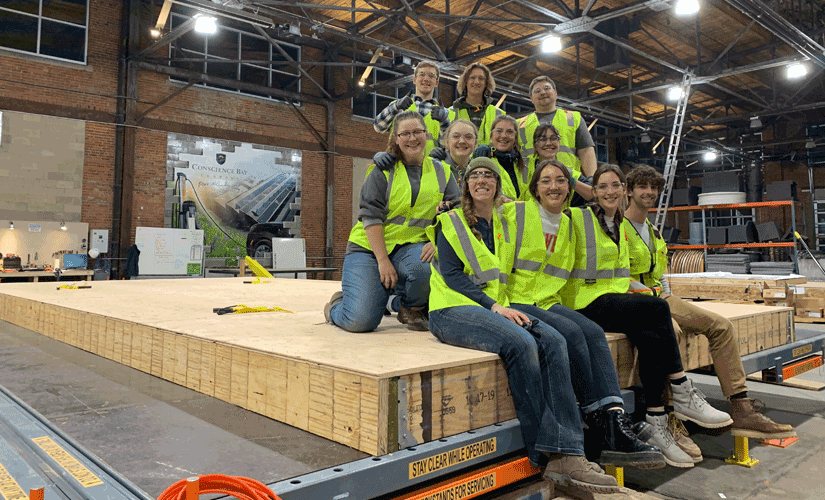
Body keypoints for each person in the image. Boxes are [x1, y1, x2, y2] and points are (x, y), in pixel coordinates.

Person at [426, 157, 620, 493]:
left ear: (499, 185)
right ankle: (545, 451)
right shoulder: (452, 221)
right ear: (466, 184)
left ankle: (570, 450)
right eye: (475, 175)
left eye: (489, 175)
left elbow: (533, 212)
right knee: (522, 344)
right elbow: (454, 276)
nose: (482, 180)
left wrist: (501, 306)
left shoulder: (501, 223)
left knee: (555, 340)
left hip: (494, 305)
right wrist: (496, 307)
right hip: (452, 309)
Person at [559, 163, 733, 469]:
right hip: (583, 302)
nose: (610, 192)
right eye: (603, 187)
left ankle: (656, 418)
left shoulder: (621, 228)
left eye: (615, 186)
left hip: (614, 299)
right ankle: (681, 389)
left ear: (623, 191)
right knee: (658, 308)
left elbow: (623, 274)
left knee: (649, 330)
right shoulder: (579, 217)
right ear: (593, 192)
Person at [622, 164, 795, 457]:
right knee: (670, 334)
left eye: (653, 188)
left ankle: (741, 407)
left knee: (720, 326)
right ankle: (670, 417)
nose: (649, 192)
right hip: (638, 302)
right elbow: (614, 275)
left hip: (662, 297)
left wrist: (671, 297)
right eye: (642, 187)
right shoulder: (619, 230)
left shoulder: (651, 229)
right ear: (629, 191)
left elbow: (660, 271)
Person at [504, 159, 665, 470]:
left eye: (561, 180)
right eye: (546, 180)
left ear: (569, 188)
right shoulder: (517, 211)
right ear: (535, 188)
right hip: (516, 298)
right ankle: (597, 419)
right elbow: (475, 216)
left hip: (548, 299)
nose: (554, 186)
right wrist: (436, 236)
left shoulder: (568, 223)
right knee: (573, 336)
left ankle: (615, 418)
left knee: (591, 332)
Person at [325, 110, 460, 332]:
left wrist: (437, 242)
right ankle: (337, 306)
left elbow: (457, 212)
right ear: (396, 139)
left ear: (426, 135)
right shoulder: (382, 171)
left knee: (425, 268)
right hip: (369, 249)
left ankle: (408, 307)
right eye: (405, 133)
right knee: (361, 321)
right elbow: (371, 217)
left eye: (417, 131)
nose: (412, 138)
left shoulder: (442, 171)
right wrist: (382, 261)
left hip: (409, 248)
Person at [517, 76, 597, 180]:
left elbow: (586, 151)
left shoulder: (573, 118)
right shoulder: (519, 124)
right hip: (530, 185)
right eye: (537, 91)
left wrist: (592, 179)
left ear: (555, 93)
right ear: (531, 99)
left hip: (568, 183)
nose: (542, 92)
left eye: (546, 88)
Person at [373, 61, 450, 156]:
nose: (426, 79)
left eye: (431, 76)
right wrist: (395, 106)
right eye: (421, 75)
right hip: (399, 166)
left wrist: (444, 121)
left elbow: (451, 145)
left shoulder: (446, 113)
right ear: (414, 79)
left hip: (431, 167)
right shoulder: (397, 107)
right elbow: (378, 127)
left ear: (436, 82)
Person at [527, 123, 594, 203]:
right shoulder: (524, 168)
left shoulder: (569, 173)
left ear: (559, 143)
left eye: (553, 138)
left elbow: (593, 194)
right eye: (542, 139)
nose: (548, 143)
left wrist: (570, 180)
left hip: (560, 214)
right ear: (535, 145)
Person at [472, 115, 530, 202]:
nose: (503, 136)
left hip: (519, 214)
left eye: (509, 132)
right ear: (491, 136)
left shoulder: (521, 165)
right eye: (499, 131)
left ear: (515, 138)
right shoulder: (483, 159)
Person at [448, 62, 505, 146]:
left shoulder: (499, 114)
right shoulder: (451, 112)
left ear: (486, 83)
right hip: (461, 158)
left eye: (481, 78)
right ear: (465, 82)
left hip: (489, 159)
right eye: (472, 77)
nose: (476, 82)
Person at [428, 119, 477, 185]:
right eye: (456, 136)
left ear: (475, 143)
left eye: (468, 137)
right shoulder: (435, 169)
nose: (462, 141)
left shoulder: (479, 171)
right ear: (447, 142)